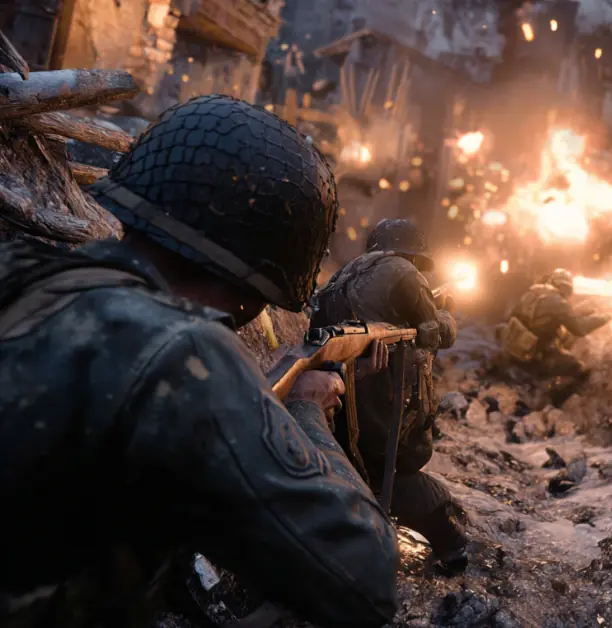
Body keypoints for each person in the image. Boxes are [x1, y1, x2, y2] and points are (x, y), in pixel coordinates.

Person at [0, 95, 398, 628]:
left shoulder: (21, 273)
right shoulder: (185, 351)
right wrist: (306, 412)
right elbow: (365, 578)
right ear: (257, 290)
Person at [311, 218, 469, 572]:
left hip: (345, 412)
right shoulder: (403, 272)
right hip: (384, 416)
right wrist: (446, 312)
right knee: (425, 500)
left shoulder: (342, 276)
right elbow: (436, 333)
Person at [501, 269, 611, 403]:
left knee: (563, 339)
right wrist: (605, 317)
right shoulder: (558, 302)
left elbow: (548, 316)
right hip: (534, 360)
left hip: (514, 353)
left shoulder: (533, 293)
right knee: (579, 368)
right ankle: (556, 400)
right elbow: (580, 329)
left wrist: (584, 313)